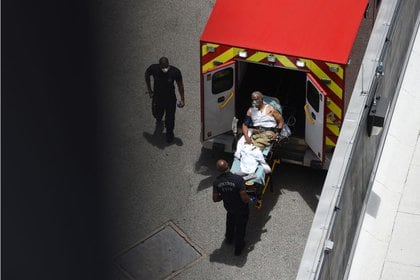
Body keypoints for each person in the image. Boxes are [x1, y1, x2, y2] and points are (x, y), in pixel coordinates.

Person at [212, 159, 250, 256]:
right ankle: (238, 248)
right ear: (228, 165)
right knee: (240, 227)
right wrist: (249, 200)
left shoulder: (217, 182)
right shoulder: (238, 179)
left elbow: (215, 199)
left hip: (229, 207)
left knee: (230, 221)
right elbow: (244, 197)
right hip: (241, 208)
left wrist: (224, 196)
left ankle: (229, 239)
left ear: (218, 170)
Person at [145, 57, 185, 143]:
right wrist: (149, 90)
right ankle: (158, 117)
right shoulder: (154, 69)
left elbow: (180, 86)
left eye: (166, 66)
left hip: (170, 99)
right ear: (159, 66)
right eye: (163, 67)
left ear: (168, 64)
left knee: (170, 118)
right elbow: (147, 75)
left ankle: (169, 133)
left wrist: (182, 99)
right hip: (158, 97)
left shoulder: (175, 72)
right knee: (156, 113)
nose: (165, 69)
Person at [234, 91, 284, 159]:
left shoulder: (271, 109)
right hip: (256, 133)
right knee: (242, 147)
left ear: (261, 99)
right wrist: (247, 137)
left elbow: (281, 121)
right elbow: (245, 125)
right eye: (253, 99)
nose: (254, 102)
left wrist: (277, 133)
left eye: (256, 99)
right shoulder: (251, 110)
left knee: (251, 151)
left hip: (268, 133)